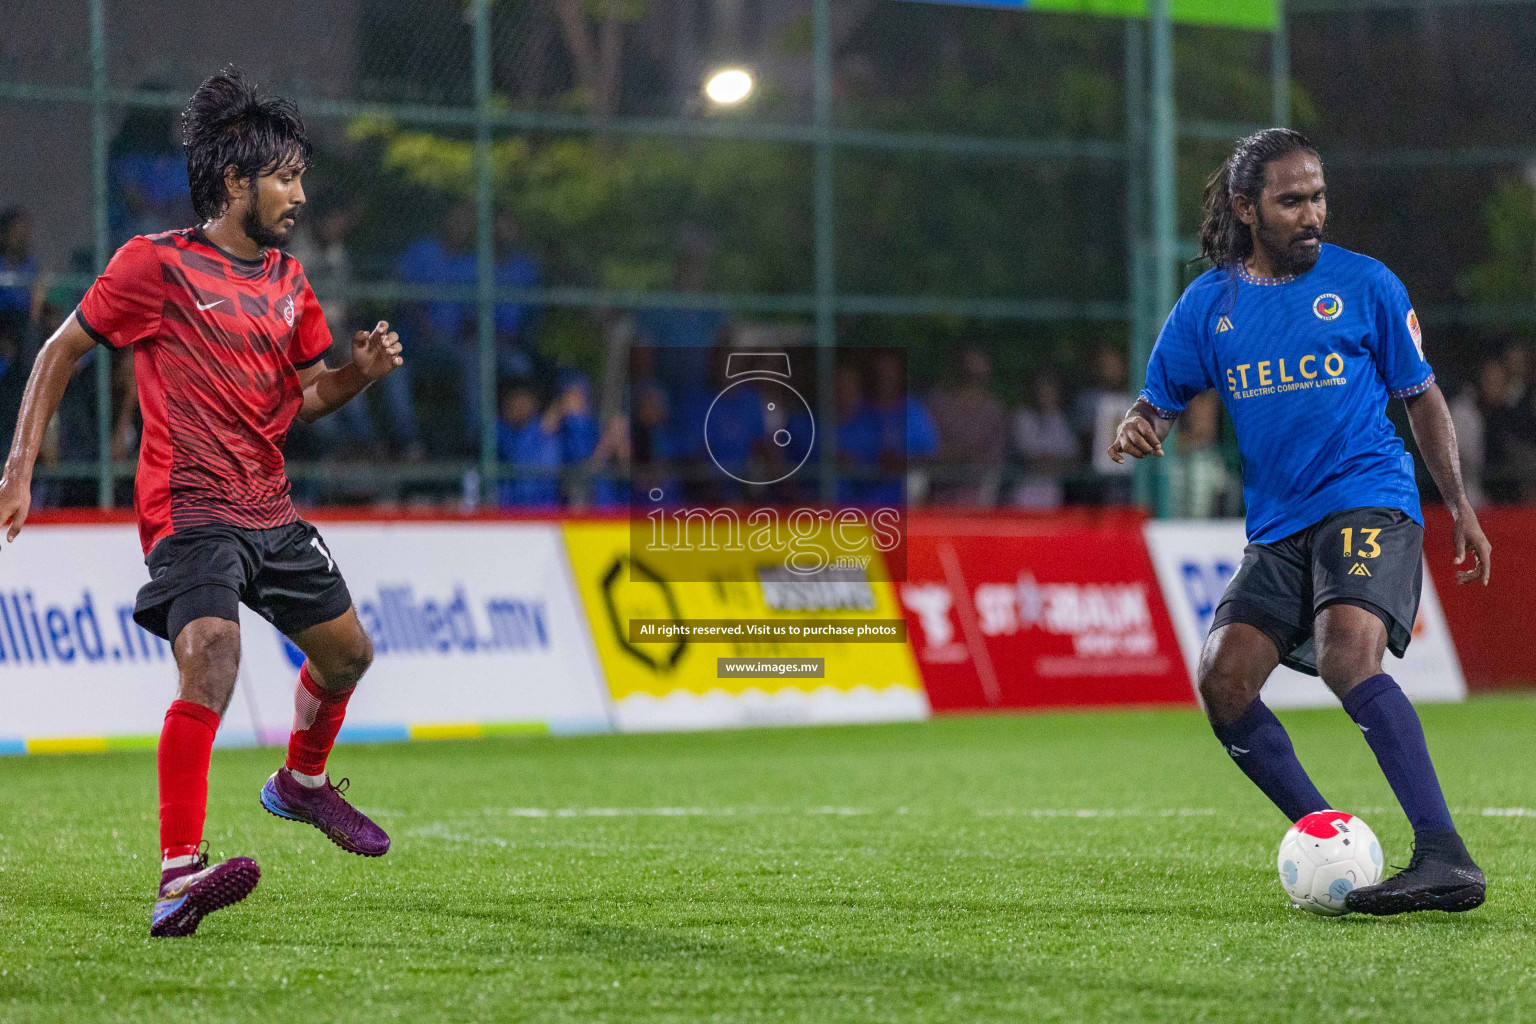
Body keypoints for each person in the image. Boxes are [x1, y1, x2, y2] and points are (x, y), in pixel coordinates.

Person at [0, 68, 404, 937]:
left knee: (349, 660)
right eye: (285, 177)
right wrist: (19, 466)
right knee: (212, 656)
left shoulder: (292, 282)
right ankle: (178, 876)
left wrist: (358, 377)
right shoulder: (155, 265)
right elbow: (58, 353)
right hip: (190, 510)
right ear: (235, 183)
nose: (299, 193)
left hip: (270, 507)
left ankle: (298, 784)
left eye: (301, 175)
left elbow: (304, 396)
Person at [1109, 128, 1491, 916]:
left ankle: (1446, 857)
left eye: (1318, 196)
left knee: (1350, 657)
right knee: (1223, 677)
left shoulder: (1366, 283)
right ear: (1248, 209)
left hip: (1368, 498)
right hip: (1278, 529)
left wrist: (1457, 503)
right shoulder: (1209, 305)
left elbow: (1420, 395)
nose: (1312, 213)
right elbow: (1160, 398)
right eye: (1292, 201)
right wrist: (1140, 422)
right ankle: (1329, 835)